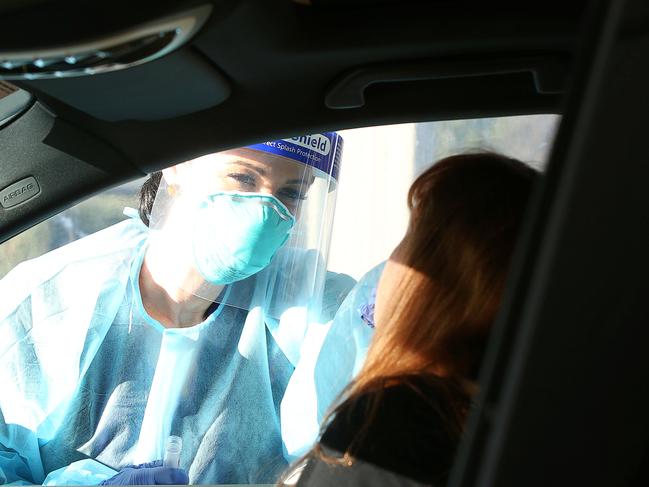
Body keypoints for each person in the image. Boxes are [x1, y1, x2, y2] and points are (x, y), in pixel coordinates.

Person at [0, 133, 356, 485]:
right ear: (176, 165)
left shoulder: (309, 310)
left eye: (291, 193)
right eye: (244, 177)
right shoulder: (48, 303)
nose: (265, 213)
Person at [285, 152, 538, 486]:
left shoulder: (395, 425)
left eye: (410, 239)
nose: (390, 263)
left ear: (437, 280)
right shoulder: (517, 420)